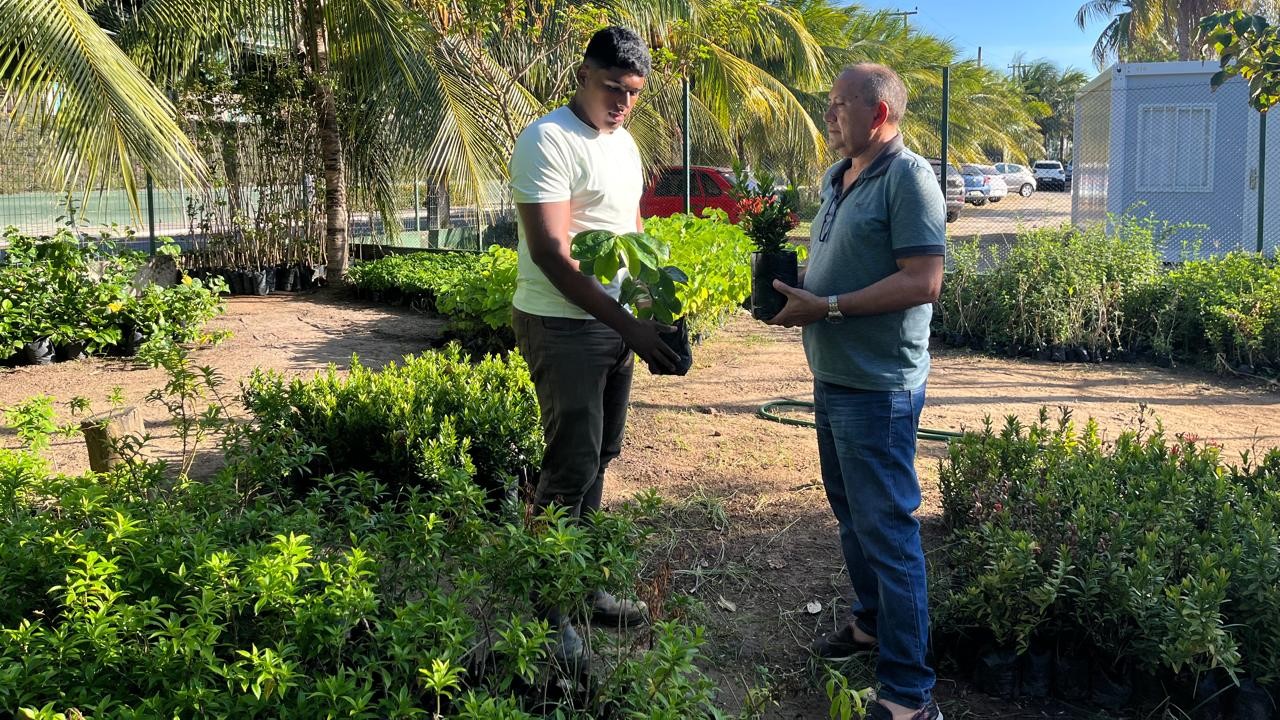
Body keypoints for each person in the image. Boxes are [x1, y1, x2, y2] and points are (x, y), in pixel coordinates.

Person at [766, 63, 946, 720]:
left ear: (879, 114)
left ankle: (909, 694)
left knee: (888, 530)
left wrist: (831, 307)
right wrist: (791, 291)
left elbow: (923, 280)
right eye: (829, 105)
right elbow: (832, 263)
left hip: (878, 388)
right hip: (833, 376)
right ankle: (870, 624)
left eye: (840, 106)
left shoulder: (909, 178)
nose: (829, 116)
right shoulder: (837, 178)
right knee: (851, 517)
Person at [508, 26, 679, 663]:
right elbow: (553, 255)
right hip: (563, 324)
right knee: (569, 466)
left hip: (614, 326)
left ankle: (583, 587)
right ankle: (548, 615)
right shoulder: (547, 139)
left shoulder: (625, 143)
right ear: (582, 73)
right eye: (613, 88)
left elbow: (629, 231)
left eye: (633, 93)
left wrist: (652, 309)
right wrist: (628, 325)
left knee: (601, 456)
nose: (622, 102)